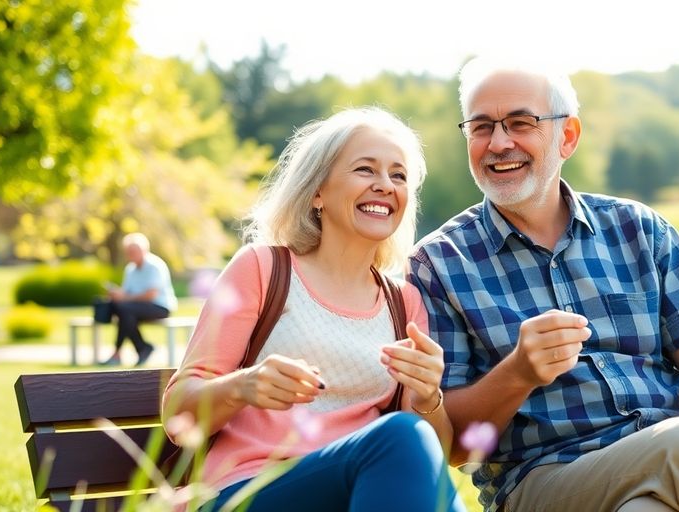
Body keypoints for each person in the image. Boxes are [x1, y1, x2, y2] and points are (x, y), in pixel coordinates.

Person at [407, 56, 679, 511]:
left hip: (670, 466)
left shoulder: (639, 228)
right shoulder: (437, 264)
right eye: (481, 127)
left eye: (520, 123)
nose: (499, 142)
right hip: (542, 481)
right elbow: (458, 445)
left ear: (568, 136)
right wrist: (518, 372)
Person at [161, 107, 465, 511]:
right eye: (365, 170)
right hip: (248, 490)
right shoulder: (263, 269)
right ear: (318, 191)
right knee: (402, 435)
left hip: (357, 495)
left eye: (398, 175)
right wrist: (242, 386)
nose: (385, 185)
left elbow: (430, 465)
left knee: (409, 437)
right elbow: (178, 414)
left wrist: (429, 396)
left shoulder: (403, 302)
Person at [100, 232, 177, 366]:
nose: (131, 255)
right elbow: (126, 293)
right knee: (121, 309)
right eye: (128, 252)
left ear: (144, 250)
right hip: (135, 308)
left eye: (134, 251)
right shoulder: (130, 269)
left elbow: (151, 295)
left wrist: (125, 297)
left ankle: (129, 351)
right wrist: (117, 294)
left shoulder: (155, 266)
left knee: (124, 310)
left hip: (159, 306)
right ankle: (139, 349)